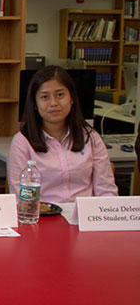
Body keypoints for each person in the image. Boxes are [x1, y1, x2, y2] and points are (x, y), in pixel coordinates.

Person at [8, 66, 118, 203]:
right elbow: (22, 200)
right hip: (42, 218)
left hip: (83, 218)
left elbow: (106, 191)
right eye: (44, 97)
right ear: (35, 104)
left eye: (60, 95)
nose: (53, 103)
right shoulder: (22, 142)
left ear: (71, 98)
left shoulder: (91, 137)